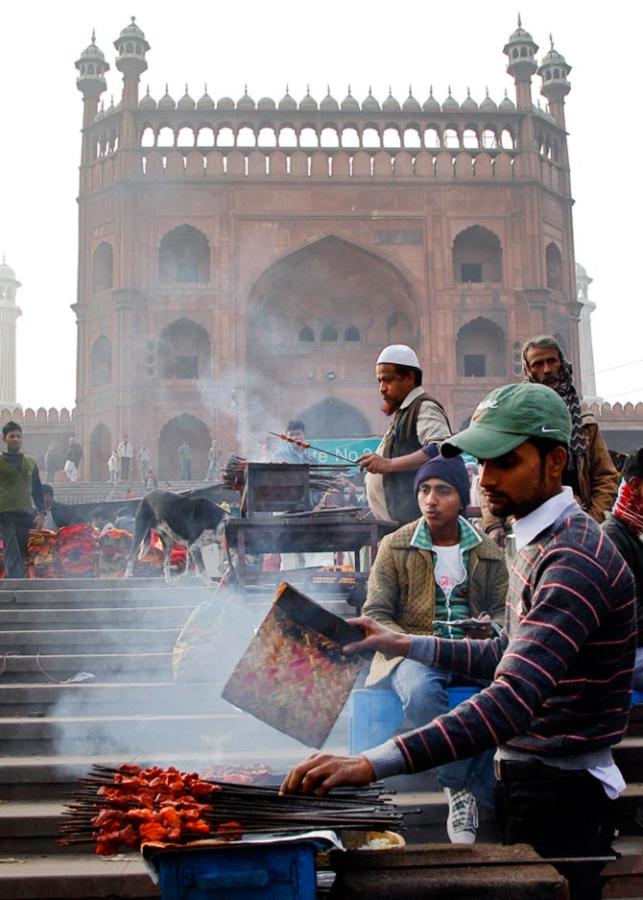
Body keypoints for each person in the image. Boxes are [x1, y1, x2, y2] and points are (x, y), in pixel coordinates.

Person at [282, 382, 636, 900]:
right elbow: (506, 650)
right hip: (528, 776)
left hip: (561, 792)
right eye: (482, 463)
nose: (485, 480)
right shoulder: (537, 540)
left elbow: (511, 698)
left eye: (504, 463)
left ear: (555, 460)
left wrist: (371, 762)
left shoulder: (573, 559)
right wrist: (405, 645)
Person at [362, 448, 508, 842]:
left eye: (442, 490)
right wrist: (405, 642)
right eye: (424, 489)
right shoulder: (396, 545)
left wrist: (489, 627)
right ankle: (460, 788)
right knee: (423, 692)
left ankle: (463, 783)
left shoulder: (488, 554)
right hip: (413, 652)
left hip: (471, 654)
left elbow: (504, 613)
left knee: (503, 699)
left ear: (462, 497)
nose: (430, 499)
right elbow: (375, 612)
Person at [522, 334, 618, 522]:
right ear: (528, 370)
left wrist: (592, 519)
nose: (547, 369)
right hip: (533, 519)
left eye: (552, 361)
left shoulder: (582, 418)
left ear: (562, 363)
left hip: (580, 519)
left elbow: (605, 476)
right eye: (538, 364)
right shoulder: (519, 416)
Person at [357, 345, 451, 525]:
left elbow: (441, 449)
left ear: (409, 378)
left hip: (417, 524)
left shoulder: (423, 407)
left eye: (387, 380)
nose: (382, 389)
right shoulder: (405, 412)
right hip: (400, 525)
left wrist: (389, 464)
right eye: (379, 382)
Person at [603, 448, 643, 690]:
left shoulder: (635, 532)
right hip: (623, 655)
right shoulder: (612, 540)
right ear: (637, 486)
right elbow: (631, 619)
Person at [0, 421, 46, 577]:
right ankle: (17, 586)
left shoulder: (30, 462)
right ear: (4, 439)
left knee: (21, 550)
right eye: (11, 436)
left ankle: (18, 583)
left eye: (18, 436)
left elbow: (37, 489)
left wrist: (42, 513)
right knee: (11, 549)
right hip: (4, 514)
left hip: (25, 514)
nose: (15, 439)